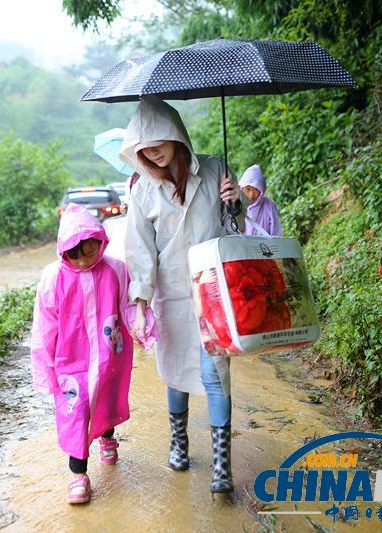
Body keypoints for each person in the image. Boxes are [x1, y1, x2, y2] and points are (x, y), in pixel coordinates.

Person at [120, 95, 246, 496]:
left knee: (216, 375)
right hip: (171, 293)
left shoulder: (214, 170)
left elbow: (235, 228)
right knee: (174, 372)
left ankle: (222, 465)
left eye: (156, 139)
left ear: (176, 134)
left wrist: (235, 202)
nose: (150, 150)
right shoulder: (141, 189)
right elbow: (139, 250)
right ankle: (179, 443)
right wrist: (140, 307)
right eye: (142, 146)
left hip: (214, 291)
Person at [30, 203, 157, 505]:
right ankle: (78, 475)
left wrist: (144, 329)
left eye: (90, 251)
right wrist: (45, 369)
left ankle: (108, 438)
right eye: (77, 254)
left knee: (106, 398)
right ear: (65, 252)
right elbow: (44, 328)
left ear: (100, 242)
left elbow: (127, 306)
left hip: (108, 354)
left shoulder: (114, 269)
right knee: (77, 410)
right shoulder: (53, 278)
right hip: (69, 361)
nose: (85, 260)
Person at [238, 164, 282, 237]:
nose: (251, 195)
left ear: (262, 190)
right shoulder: (236, 205)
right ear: (241, 188)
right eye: (248, 189)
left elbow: (276, 232)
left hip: (264, 247)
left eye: (256, 190)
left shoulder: (269, 206)